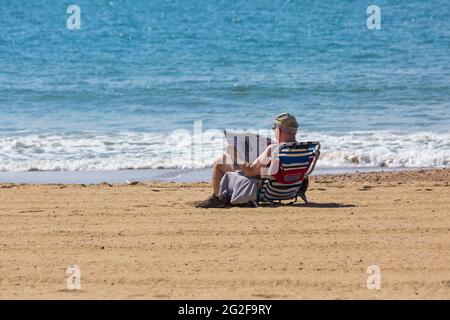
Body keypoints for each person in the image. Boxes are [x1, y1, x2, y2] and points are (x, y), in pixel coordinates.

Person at [195, 112, 299, 208]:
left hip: (262, 190)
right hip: (289, 190)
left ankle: (218, 198)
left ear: (279, 130)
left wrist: (235, 155)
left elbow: (249, 171)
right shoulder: (303, 149)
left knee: (220, 161)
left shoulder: (272, 149)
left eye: (274, 129)